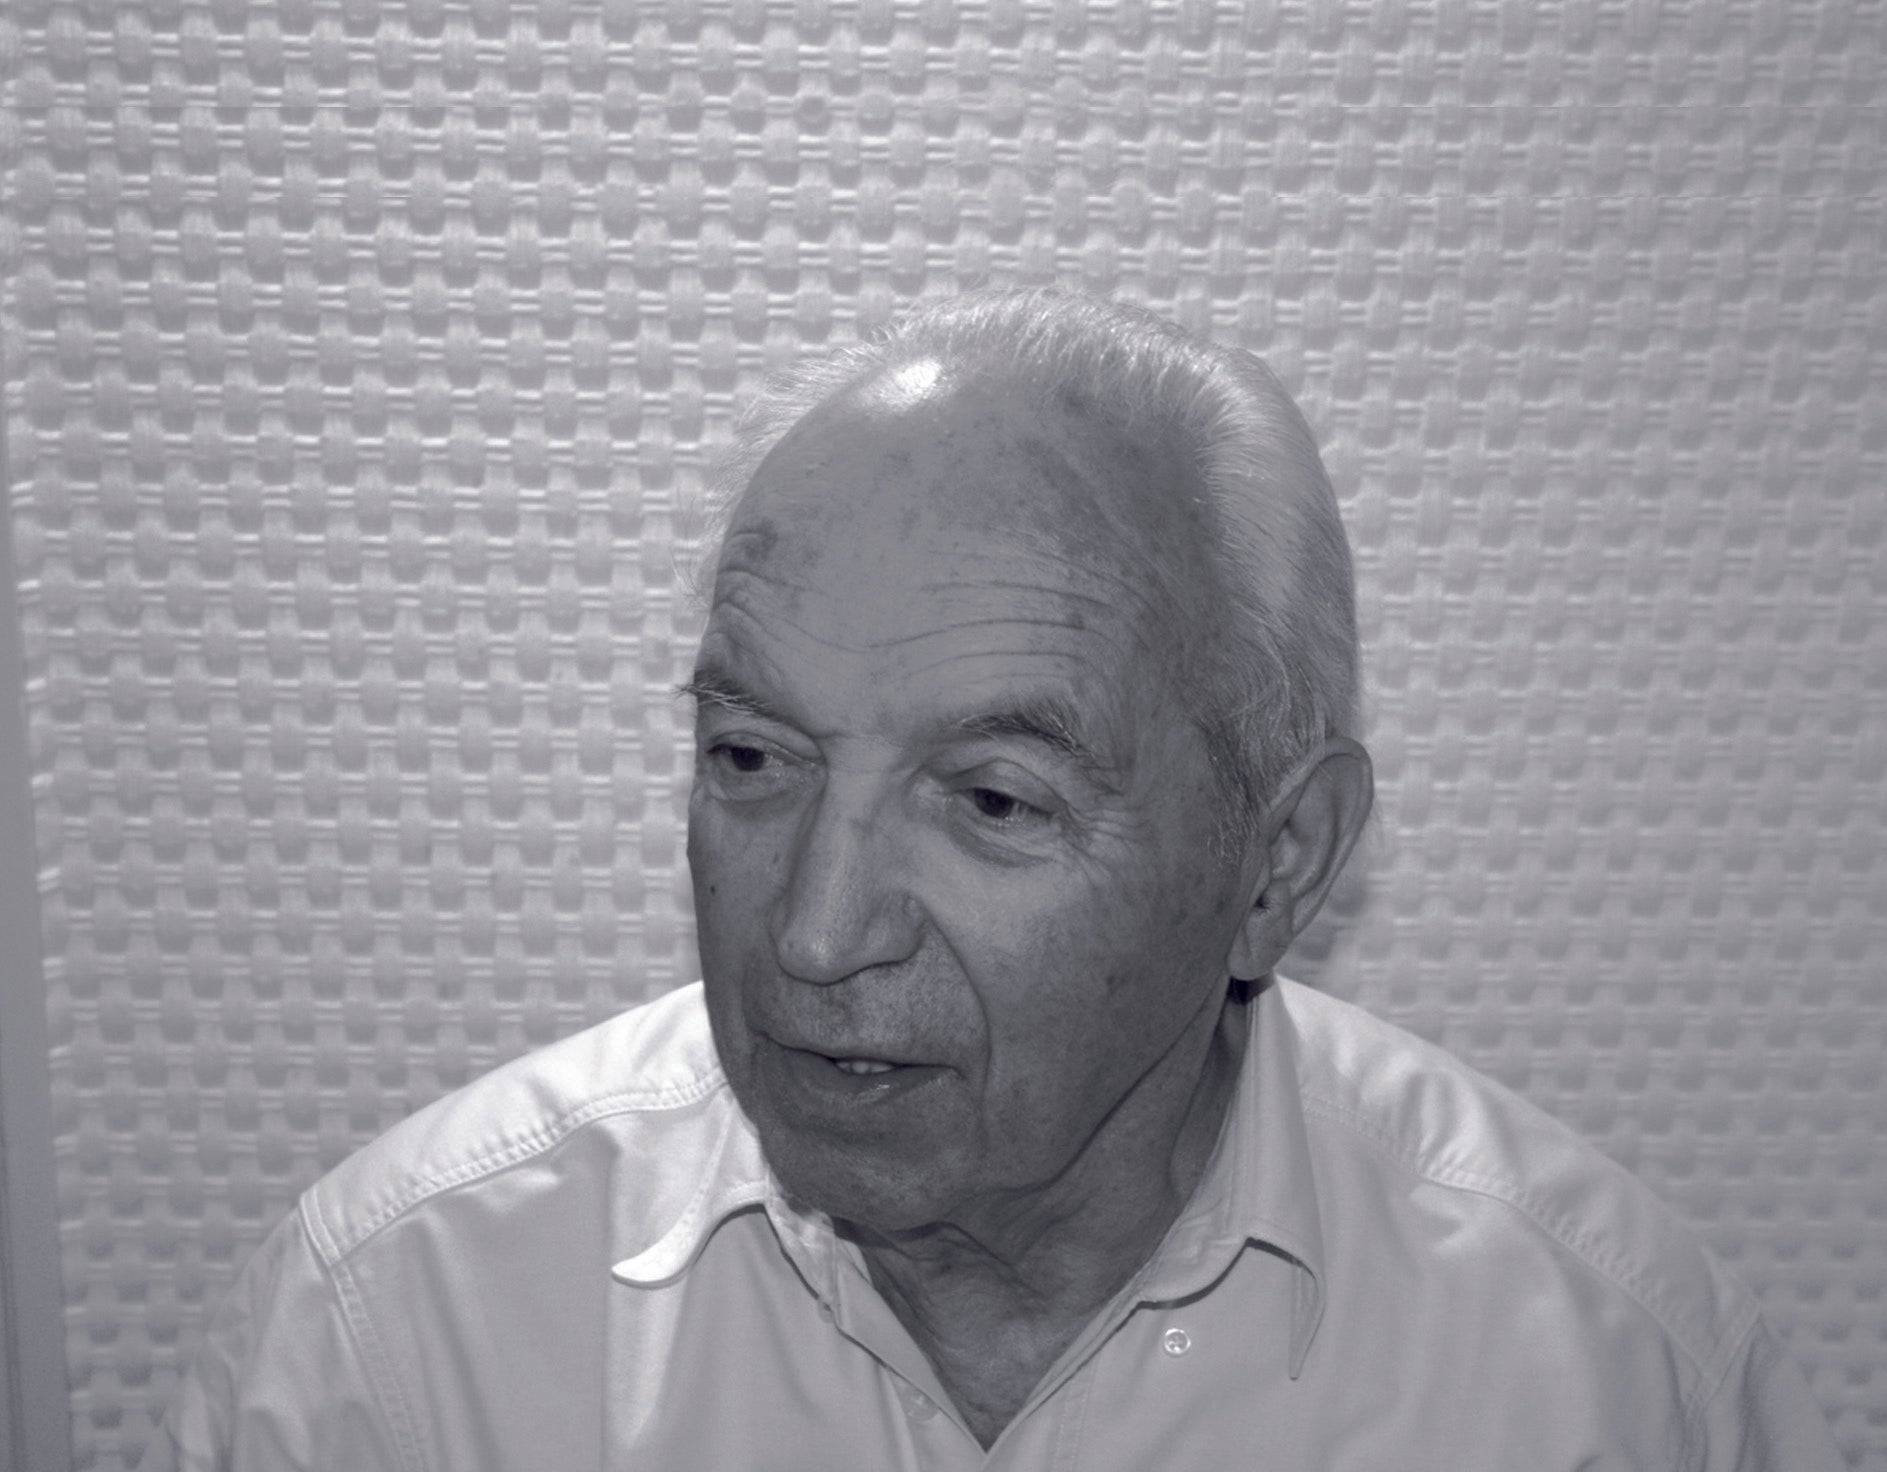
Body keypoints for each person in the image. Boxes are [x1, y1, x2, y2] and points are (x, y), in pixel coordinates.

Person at [142, 290, 1846, 1470]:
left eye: (993, 800)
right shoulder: (391, 1342)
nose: (815, 934)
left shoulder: (1610, 1382)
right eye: (753, 760)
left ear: (1279, 865)